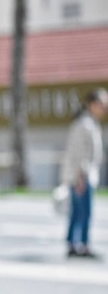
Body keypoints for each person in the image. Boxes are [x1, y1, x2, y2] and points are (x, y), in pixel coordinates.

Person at [60, 88, 107, 259]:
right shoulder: (83, 125)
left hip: (87, 175)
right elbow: (78, 154)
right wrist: (80, 176)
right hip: (82, 176)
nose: (104, 108)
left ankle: (78, 243)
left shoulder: (91, 123)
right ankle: (77, 244)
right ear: (92, 104)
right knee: (81, 211)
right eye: (102, 104)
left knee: (83, 211)